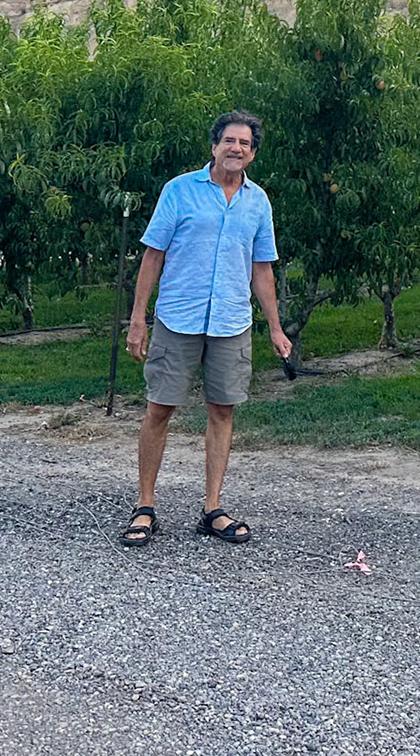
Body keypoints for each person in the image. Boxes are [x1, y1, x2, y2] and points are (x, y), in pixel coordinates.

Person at [119, 111, 292, 548]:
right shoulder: (178, 192)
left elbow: (261, 268)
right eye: (229, 141)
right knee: (159, 408)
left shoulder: (258, 202)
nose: (236, 148)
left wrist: (275, 327)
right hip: (178, 318)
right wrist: (138, 319)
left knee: (223, 411)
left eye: (245, 144)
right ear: (214, 146)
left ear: (253, 153)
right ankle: (145, 507)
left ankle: (211, 508)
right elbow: (152, 257)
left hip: (231, 321)